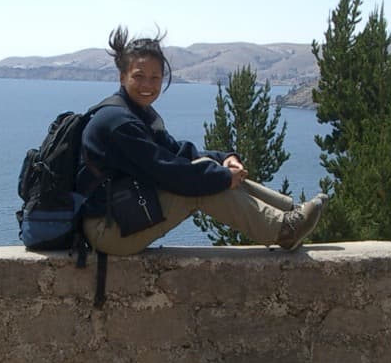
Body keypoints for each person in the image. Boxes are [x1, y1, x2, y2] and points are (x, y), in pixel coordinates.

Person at [77, 26, 325, 255]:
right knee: (198, 190)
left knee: (209, 171)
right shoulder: (118, 122)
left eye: (155, 78)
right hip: (106, 231)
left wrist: (224, 158)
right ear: (123, 77)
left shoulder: (135, 113)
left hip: (122, 215)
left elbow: (177, 152)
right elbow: (168, 172)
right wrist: (223, 178)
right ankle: (283, 231)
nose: (147, 85)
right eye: (139, 76)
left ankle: (289, 211)